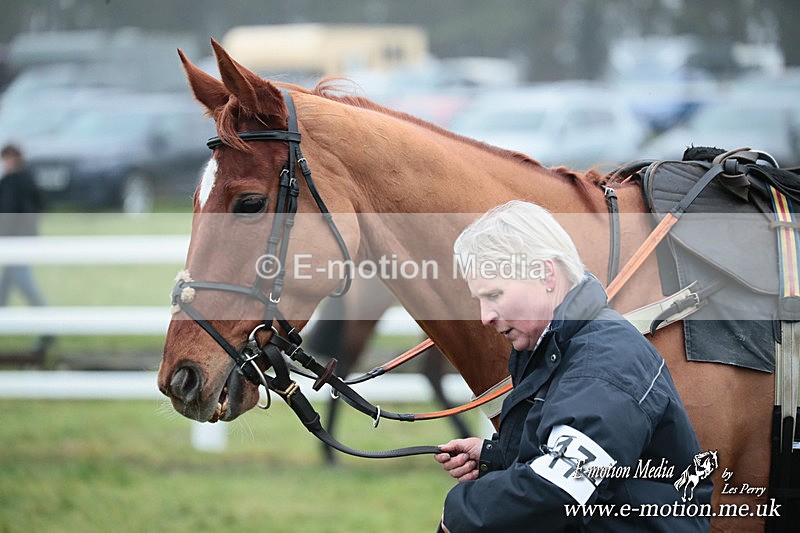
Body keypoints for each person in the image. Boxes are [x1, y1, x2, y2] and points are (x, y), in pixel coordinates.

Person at [434, 200, 711, 532]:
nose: (485, 317)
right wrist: (497, 456)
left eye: (494, 294)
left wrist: (460, 513)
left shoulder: (604, 365)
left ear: (547, 274)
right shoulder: (557, 346)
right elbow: (571, 459)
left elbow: (557, 489)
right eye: (479, 299)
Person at [0, 143, 52, 356]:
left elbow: (11, 211)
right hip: (18, 240)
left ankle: (49, 327)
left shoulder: (16, 182)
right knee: (5, 288)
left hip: (16, 242)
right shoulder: (23, 180)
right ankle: (48, 328)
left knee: (23, 284)